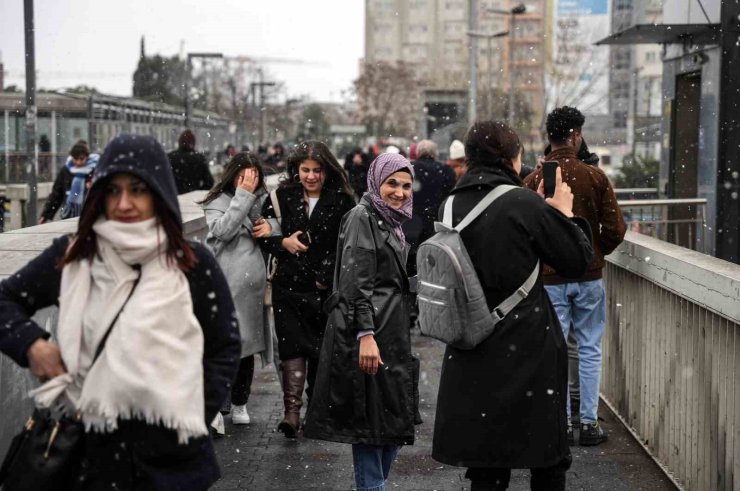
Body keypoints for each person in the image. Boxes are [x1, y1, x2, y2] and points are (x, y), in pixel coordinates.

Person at [0, 133, 241, 489]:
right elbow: (5, 302)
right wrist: (33, 346)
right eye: (112, 190)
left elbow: (224, 347)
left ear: (158, 192)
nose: (124, 203)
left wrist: (188, 413)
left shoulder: (191, 263)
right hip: (87, 456)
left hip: (171, 464)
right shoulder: (73, 255)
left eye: (138, 189)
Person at [432, 120, 594, 490]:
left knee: (487, 464)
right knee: (546, 461)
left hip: (471, 345)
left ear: (470, 158)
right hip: (528, 347)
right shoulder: (522, 203)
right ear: (512, 158)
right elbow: (575, 260)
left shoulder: (450, 204)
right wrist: (562, 214)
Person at [303, 153, 421, 491]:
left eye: (406, 186)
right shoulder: (362, 216)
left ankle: (374, 485)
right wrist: (366, 334)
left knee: (391, 422)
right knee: (372, 423)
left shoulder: (391, 220)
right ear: (376, 182)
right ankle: (372, 488)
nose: (400, 192)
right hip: (371, 331)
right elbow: (356, 281)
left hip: (392, 331)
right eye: (392, 184)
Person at [524, 106, 626, 447]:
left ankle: (562, 424)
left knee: (555, 349)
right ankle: (589, 423)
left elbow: (521, 221)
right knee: (589, 348)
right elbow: (615, 229)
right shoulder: (594, 176)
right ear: (577, 135)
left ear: (548, 138)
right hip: (588, 277)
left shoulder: (535, 179)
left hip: (551, 279)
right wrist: (594, 253)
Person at [258, 140, 355, 438]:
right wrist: (282, 243)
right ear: (296, 170)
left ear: (327, 171)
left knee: (318, 350)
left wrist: (326, 274)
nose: (311, 176)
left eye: (317, 170)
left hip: (323, 291)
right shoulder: (280, 197)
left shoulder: (343, 201)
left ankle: (315, 411)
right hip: (288, 286)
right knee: (291, 349)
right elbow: (261, 235)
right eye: (305, 170)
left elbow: (348, 245)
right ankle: (291, 413)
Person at [201, 152, 276, 427]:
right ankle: (219, 404)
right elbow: (221, 232)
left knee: (248, 346)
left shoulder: (266, 201)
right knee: (224, 344)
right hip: (225, 282)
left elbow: (279, 226)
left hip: (251, 285)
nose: (248, 181)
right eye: (243, 176)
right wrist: (242, 197)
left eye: (253, 177)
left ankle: (240, 401)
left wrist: (270, 225)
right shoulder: (217, 202)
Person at [402, 139, 455, 276]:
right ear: (435, 154)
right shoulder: (446, 171)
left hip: (411, 223)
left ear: (418, 152)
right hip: (436, 223)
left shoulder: (408, 169)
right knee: (434, 265)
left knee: (410, 264)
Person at [39, 141, 100, 223]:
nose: (78, 162)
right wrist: (45, 214)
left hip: (90, 215)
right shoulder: (66, 170)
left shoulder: (96, 169)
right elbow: (57, 193)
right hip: (69, 216)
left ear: (87, 157)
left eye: (81, 159)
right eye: (76, 159)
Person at [168, 129, 215, 194]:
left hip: (175, 198)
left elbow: (164, 180)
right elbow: (209, 182)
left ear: (179, 142)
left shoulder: (170, 157)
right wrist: (197, 192)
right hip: (192, 199)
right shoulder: (199, 158)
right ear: (193, 142)